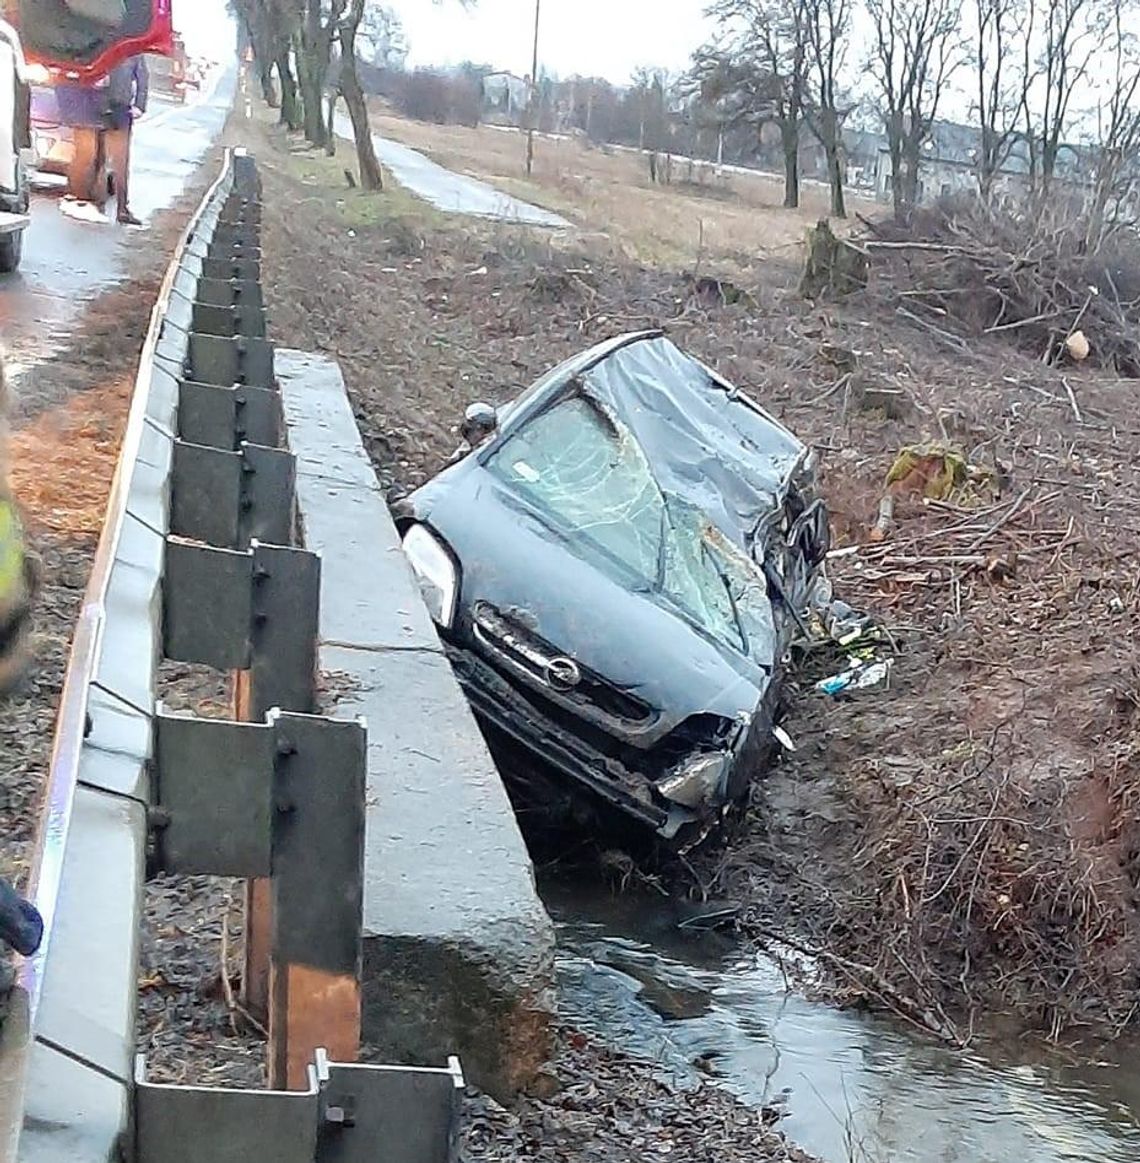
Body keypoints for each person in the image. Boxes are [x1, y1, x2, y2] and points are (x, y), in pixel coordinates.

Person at [103, 53, 147, 226]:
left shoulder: (133, 49)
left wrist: (139, 105)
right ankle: (95, 203)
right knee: (96, 158)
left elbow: (143, 77)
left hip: (119, 109)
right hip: (96, 104)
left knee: (120, 161)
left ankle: (122, 208)